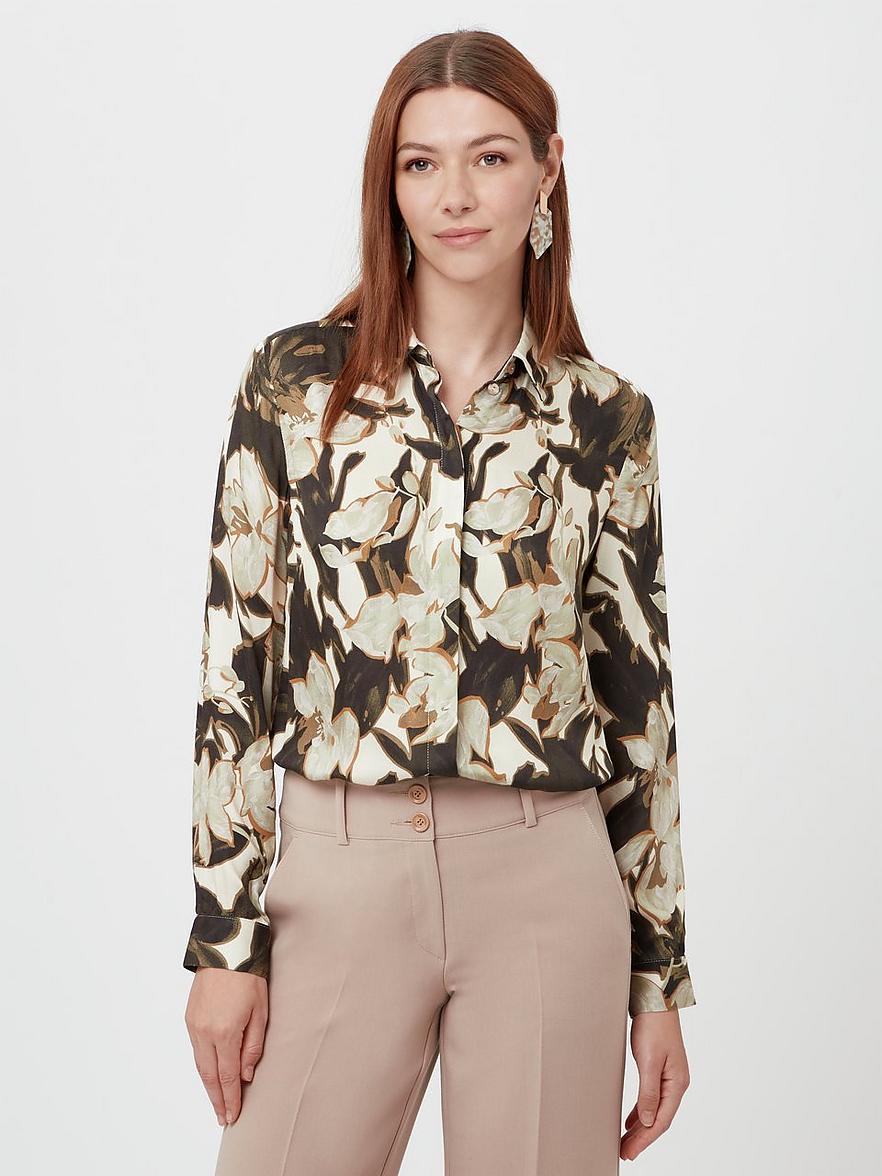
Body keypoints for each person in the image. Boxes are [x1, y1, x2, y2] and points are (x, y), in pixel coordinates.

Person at [183, 28, 695, 1175]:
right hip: (339, 873)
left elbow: (639, 709)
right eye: (421, 163)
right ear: (391, 181)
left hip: (548, 881)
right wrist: (224, 938)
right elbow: (236, 667)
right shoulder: (296, 385)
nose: (455, 195)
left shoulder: (604, 418)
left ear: (548, 170)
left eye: (490, 157)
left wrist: (658, 977)